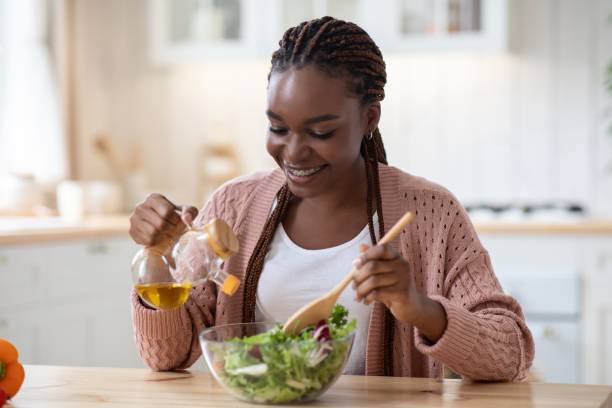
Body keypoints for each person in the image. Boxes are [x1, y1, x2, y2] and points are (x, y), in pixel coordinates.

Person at [129, 16, 534, 380]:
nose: (293, 152)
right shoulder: (234, 207)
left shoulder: (430, 213)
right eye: (278, 127)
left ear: (369, 119)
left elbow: (510, 352)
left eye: (320, 132)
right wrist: (158, 258)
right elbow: (167, 355)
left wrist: (419, 309)